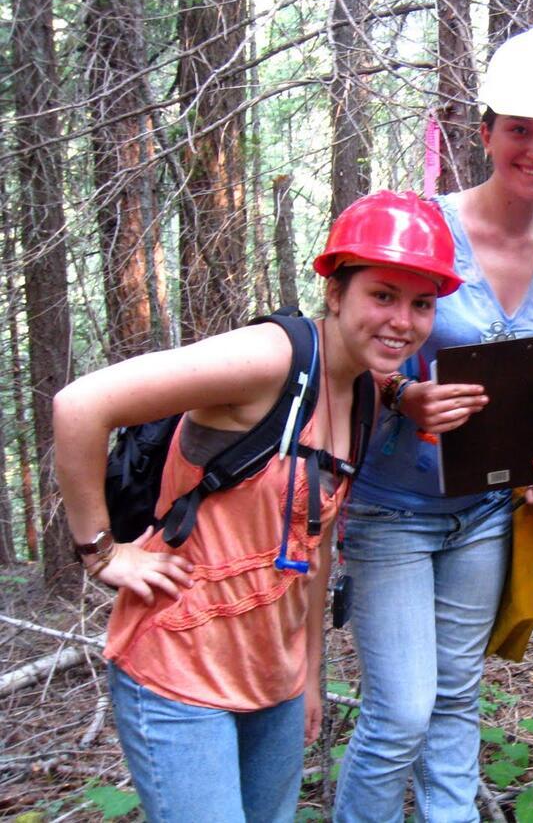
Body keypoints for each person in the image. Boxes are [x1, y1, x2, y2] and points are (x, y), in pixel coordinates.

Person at [52, 189, 458, 823]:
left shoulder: (368, 395)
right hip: (179, 672)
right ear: (336, 291)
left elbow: (314, 542)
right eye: (382, 295)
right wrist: (102, 553)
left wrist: (309, 673)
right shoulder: (271, 358)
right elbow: (80, 405)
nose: (402, 320)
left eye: (421, 304)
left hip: (275, 679)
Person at [333, 27, 533, 822]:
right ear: (485, 131)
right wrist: (399, 395)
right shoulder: (418, 226)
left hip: (487, 514)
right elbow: (338, 349)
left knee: (454, 699)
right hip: (391, 511)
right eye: (519, 128)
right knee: (400, 711)